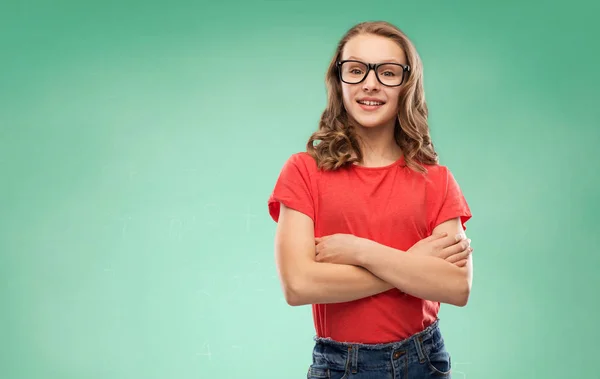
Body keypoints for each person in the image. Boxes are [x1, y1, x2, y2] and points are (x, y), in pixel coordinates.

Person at [267, 20, 473, 379]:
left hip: (423, 361)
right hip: (339, 364)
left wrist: (362, 251)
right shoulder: (304, 171)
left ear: (406, 85)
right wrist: (412, 265)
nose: (370, 83)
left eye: (388, 72)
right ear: (339, 80)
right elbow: (298, 285)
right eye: (357, 70)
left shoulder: (436, 181)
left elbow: (456, 287)